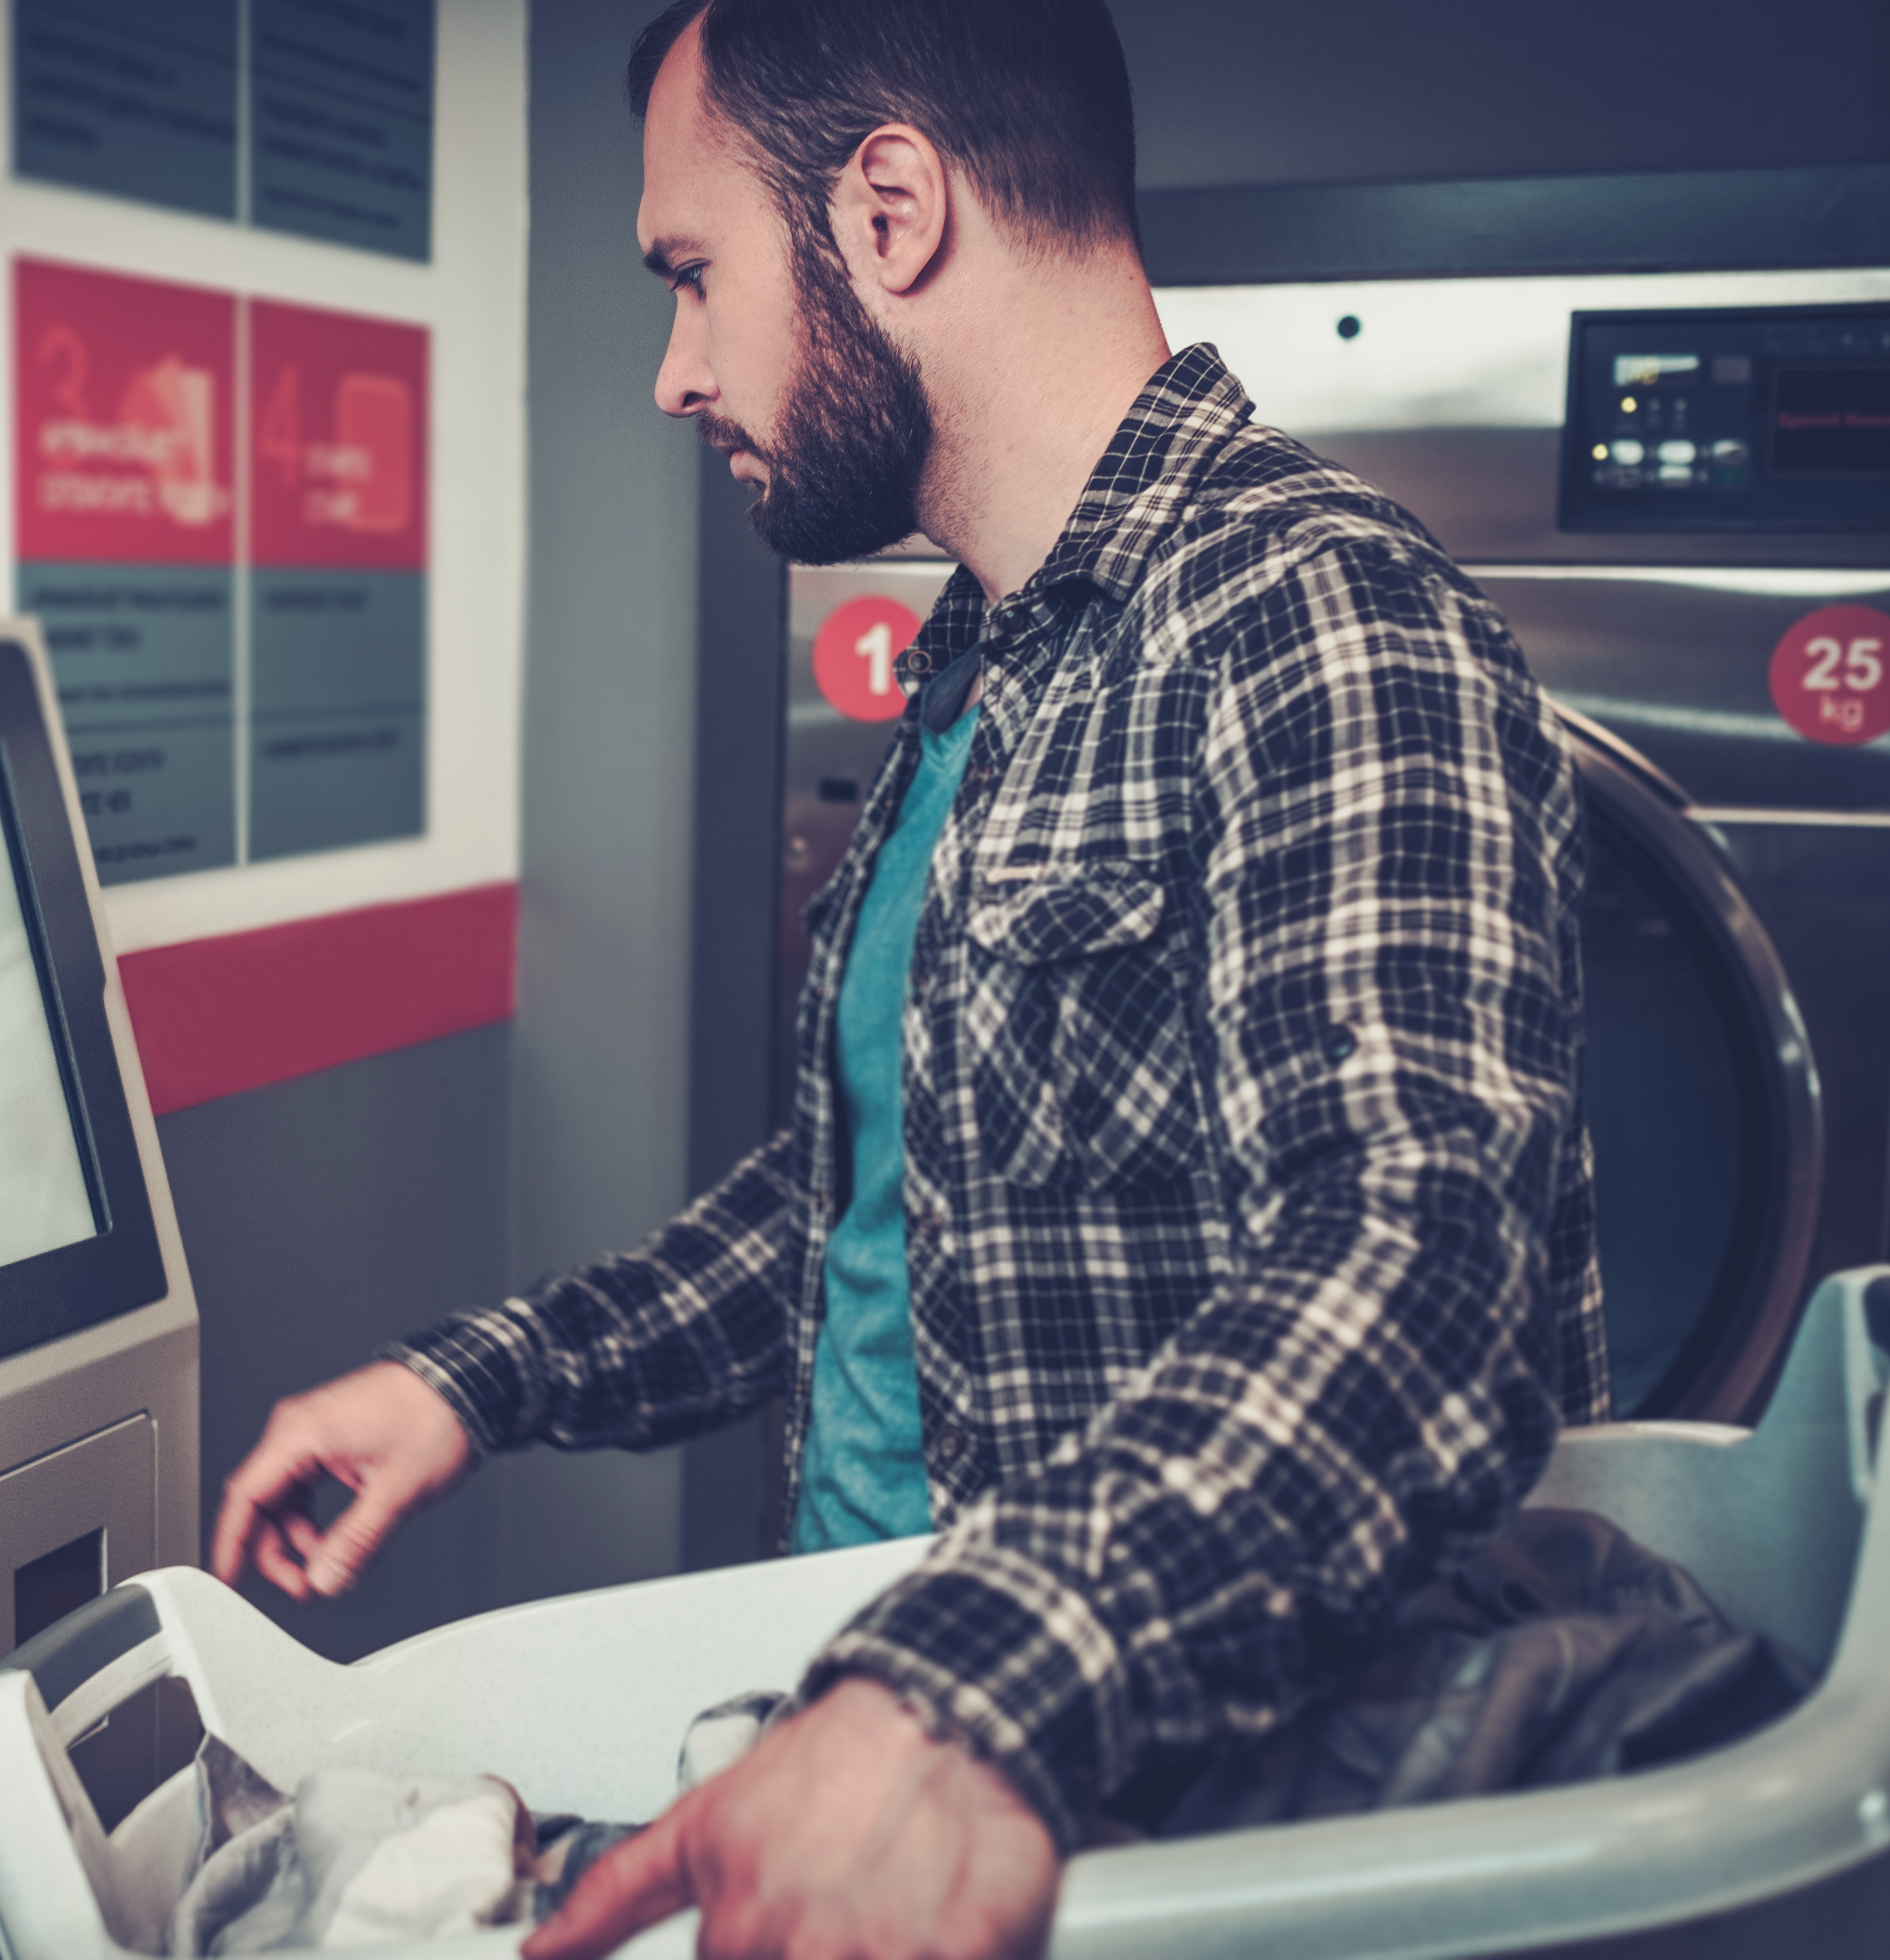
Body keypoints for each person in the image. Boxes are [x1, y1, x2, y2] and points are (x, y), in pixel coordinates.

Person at [212, 3, 1608, 1956]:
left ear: (889, 211)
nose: (673, 372)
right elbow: (872, 1202)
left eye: (695, 277)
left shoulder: (1322, 619)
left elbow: (1419, 1273)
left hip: (1096, 1807)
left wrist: (948, 1686)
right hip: (862, 1712)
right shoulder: (987, 659)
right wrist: (473, 1383)